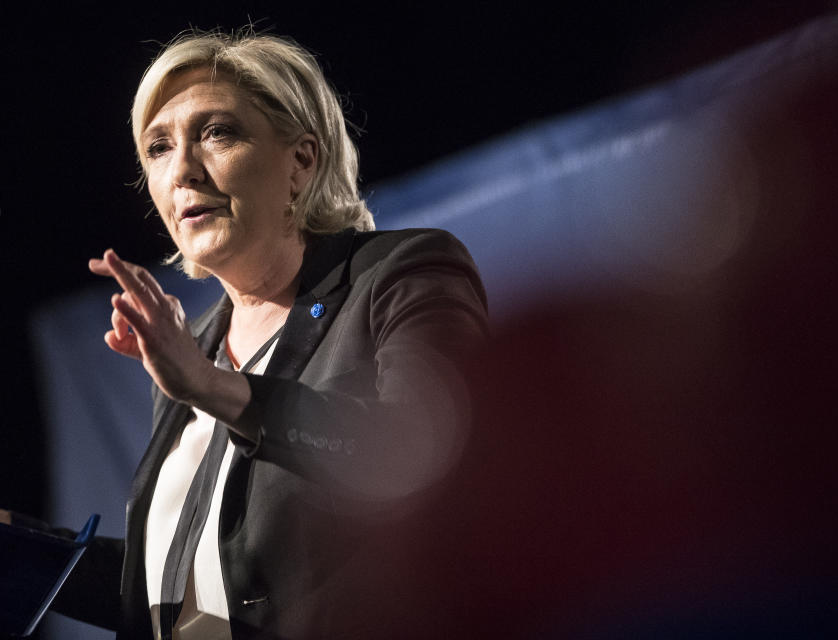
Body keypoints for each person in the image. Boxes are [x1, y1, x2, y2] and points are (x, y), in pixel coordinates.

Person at [6, 29, 487, 640]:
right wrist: (22, 547)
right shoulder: (198, 343)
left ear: (301, 162)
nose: (182, 170)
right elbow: (177, 590)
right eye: (157, 148)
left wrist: (212, 387)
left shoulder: (400, 273)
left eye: (216, 133)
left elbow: (418, 450)